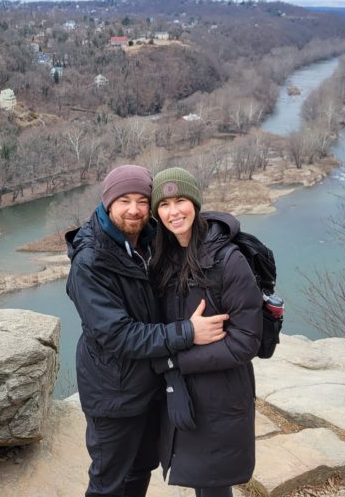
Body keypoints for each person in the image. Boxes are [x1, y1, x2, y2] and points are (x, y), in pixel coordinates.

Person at [66, 164, 230, 497]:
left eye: (142, 200)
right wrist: (187, 333)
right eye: (124, 200)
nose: (134, 210)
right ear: (107, 203)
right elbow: (117, 334)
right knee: (109, 481)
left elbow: (190, 232)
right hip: (114, 392)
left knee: (141, 468)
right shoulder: (91, 262)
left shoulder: (152, 240)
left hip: (151, 383)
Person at [149, 167, 262, 497]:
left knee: (213, 484)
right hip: (180, 391)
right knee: (201, 481)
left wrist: (177, 361)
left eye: (180, 200)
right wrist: (184, 336)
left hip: (220, 393)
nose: (174, 212)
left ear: (195, 203)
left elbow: (245, 341)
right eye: (164, 204)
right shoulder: (163, 257)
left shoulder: (229, 260)